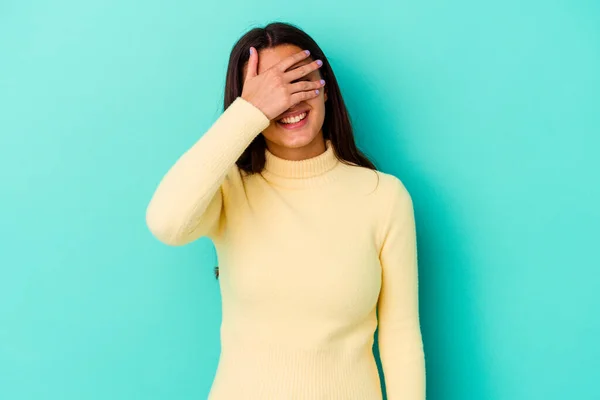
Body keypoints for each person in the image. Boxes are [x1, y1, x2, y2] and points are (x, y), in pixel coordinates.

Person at [145, 21, 425, 400]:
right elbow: (166, 223)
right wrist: (249, 113)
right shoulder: (230, 189)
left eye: (298, 81)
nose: (288, 101)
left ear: (325, 89)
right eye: (270, 90)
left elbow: (401, 337)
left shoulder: (384, 197)